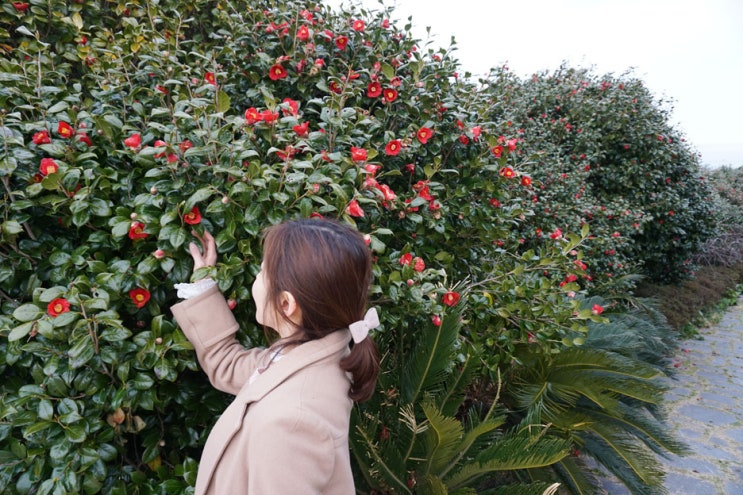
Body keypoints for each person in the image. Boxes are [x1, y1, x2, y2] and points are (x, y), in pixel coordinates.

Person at [170, 219, 380, 495]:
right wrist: (203, 285)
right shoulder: (315, 352)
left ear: (286, 303)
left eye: (261, 271)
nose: (256, 280)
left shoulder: (291, 423)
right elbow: (229, 365)